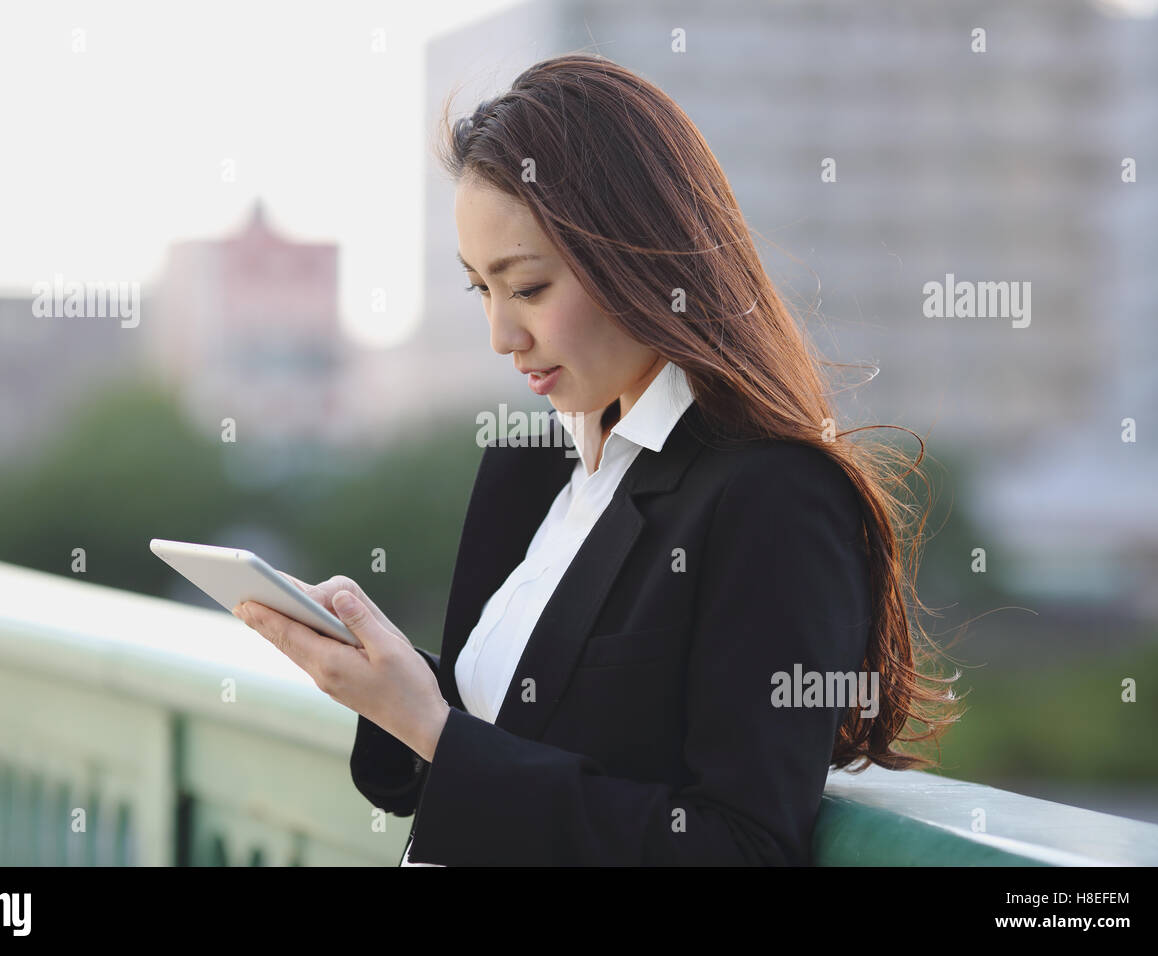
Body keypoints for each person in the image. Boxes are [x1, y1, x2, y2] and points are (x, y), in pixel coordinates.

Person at [233, 53, 958, 866]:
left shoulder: (774, 496)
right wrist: (389, 683)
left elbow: (740, 848)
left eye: (529, 288)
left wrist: (430, 727)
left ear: (641, 256)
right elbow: (524, 732)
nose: (503, 336)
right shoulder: (534, 469)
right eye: (482, 289)